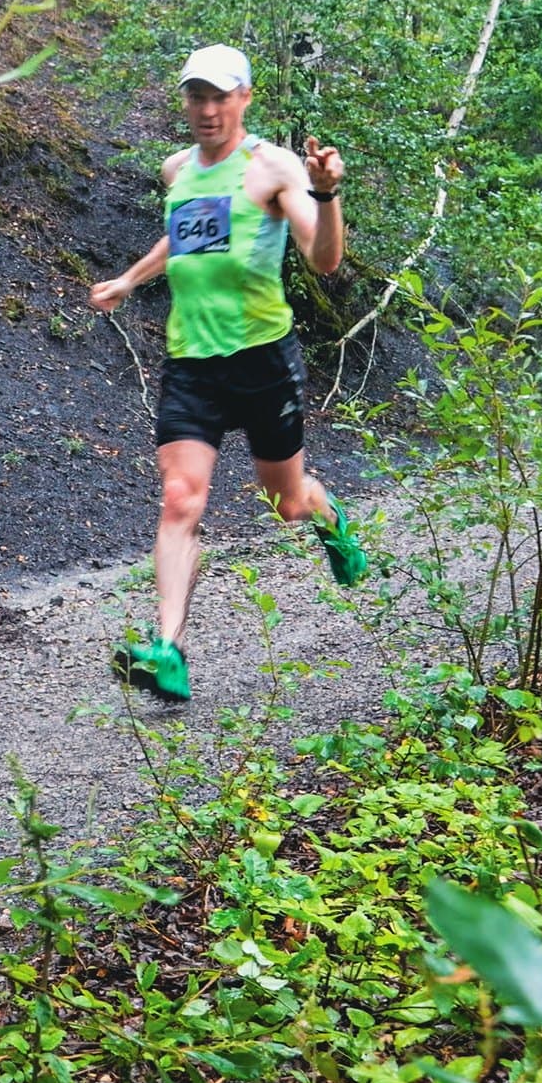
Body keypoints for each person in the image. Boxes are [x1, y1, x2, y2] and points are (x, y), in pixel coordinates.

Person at [87, 43, 367, 702]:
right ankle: (168, 650)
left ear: (244, 98)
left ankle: (327, 516)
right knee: (180, 497)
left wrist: (327, 194)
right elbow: (187, 237)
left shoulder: (273, 167)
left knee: (285, 504)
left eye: (220, 97)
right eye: (197, 97)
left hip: (263, 359)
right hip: (192, 362)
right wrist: (129, 280)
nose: (208, 109)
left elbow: (324, 259)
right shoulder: (177, 169)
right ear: (184, 101)